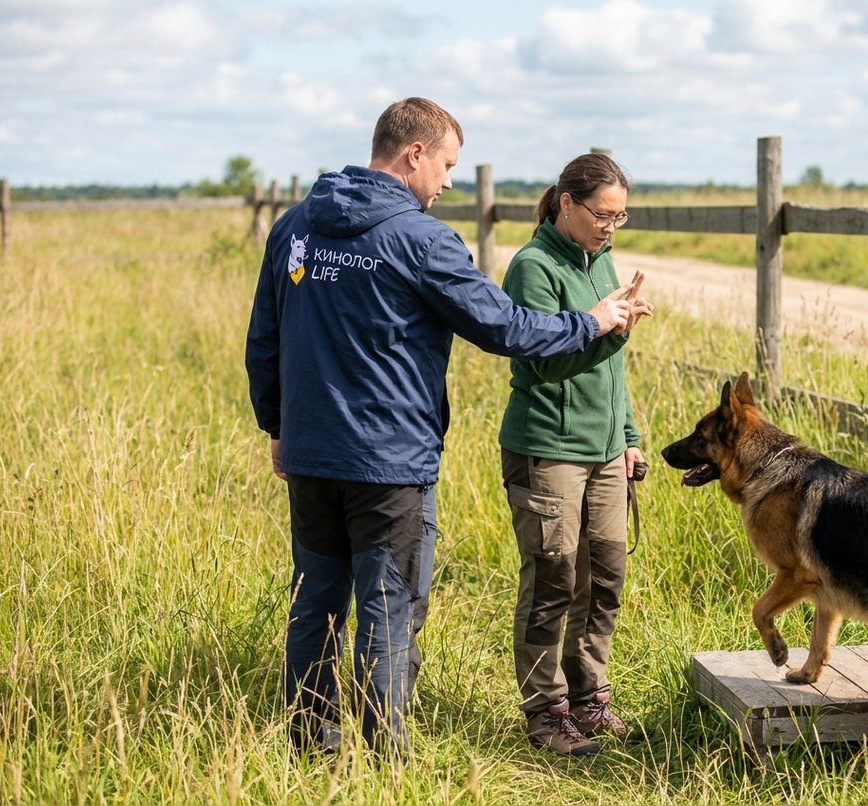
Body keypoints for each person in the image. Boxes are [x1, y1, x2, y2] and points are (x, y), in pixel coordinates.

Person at [244, 98, 636, 761]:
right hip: (389, 464)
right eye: (447, 165)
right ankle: (384, 760)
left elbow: (265, 337)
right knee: (388, 608)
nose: (448, 182)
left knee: (315, 603)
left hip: (311, 454)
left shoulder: (294, 228)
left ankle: (310, 748)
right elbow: (507, 327)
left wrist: (278, 426)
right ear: (414, 154)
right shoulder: (422, 240)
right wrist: (592, 323)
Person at [497, 153, 653, 757]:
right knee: (554, 579)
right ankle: (545, 712)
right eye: (602, 214)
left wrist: (631, 435)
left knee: (605, 577)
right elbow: (540, 359)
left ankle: (589, 698)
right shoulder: (533, 268)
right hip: (549, 448)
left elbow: (611, 366)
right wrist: (598, 324)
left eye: (621, 216)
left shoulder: (601, 260)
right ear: (567, 202)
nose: (610, 226)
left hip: (607, 450)